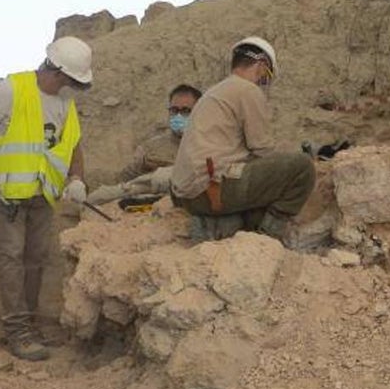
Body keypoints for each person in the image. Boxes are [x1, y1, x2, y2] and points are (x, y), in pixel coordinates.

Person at [0, 36, 93, 361]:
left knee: (36, 258)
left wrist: (76, 179)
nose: (75, 88)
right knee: (10, 257)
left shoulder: (65, 102)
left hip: (41, 193)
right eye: (73, 82)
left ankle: (31, 327)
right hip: (4, 193)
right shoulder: (11, 89)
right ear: (59, 72)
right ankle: (17, 332)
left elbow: (73, 144)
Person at [170, 36, 315, 242]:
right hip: (210, 188)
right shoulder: (247, 90)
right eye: (267, 76)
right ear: (262, 65)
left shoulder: (215, 91)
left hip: (186, 195)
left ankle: (217, 225)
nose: (264, 82)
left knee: (259, 196)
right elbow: (262, 150)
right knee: (302, 167)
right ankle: (268, 239)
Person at [119, 84, 202, 182]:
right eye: (174, 110)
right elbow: (125, 178)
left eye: (185, 110)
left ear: (199, 111)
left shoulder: (210, 146)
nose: (178, 116)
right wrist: (141, 166)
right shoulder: (150, 148)